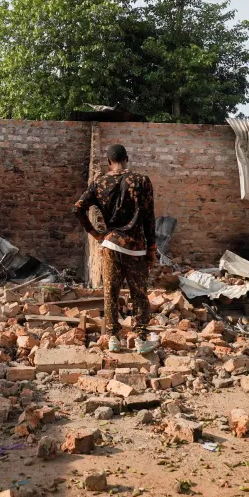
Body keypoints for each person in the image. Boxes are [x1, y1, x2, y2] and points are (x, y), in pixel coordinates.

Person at [72, 144, 157, 353]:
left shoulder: (99, 182)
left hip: (110, 244)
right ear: (126, 159)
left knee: (110, 291)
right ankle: (141, 339)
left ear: (109, 162)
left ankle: (113, 339)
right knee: (139, 294)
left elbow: (77, 208)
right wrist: (152, 247)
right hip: (136, 248)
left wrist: (95, 234)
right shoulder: (142, 181)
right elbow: (149, 217)